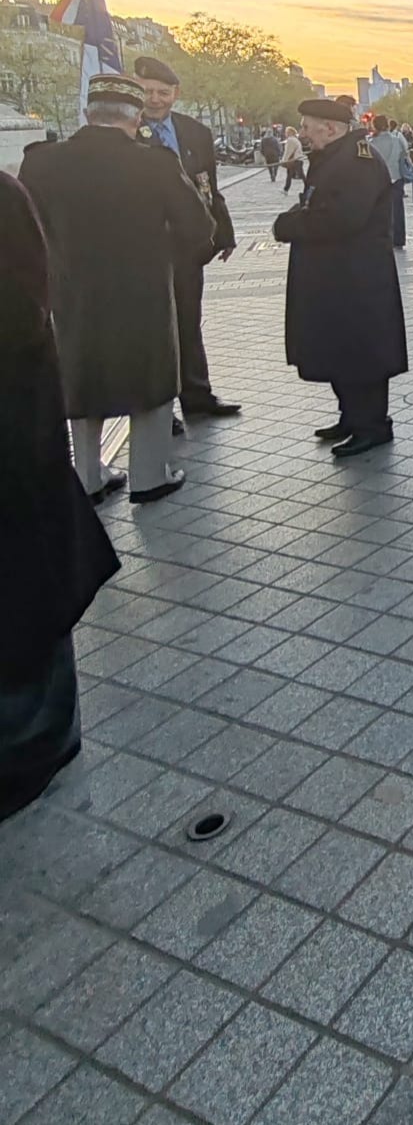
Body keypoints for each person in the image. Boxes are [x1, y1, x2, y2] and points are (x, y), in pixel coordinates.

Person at [20, 73, 215, 502]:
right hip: (142, 292)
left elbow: (23, 226)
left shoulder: (41, 161)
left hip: (71, 291)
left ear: (89, 113)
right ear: (136, 116)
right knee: (150, 374)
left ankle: (88, 476)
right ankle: (149, 475)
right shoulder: (155, 162)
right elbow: (199, 227)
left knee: (80, 373)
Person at [0, 170, 120, 820]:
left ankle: (41, 740)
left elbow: (20, 313)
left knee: (25, 596)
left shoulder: (3, 196)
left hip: (14, 443)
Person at [273, 98, 408, 456]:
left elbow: (342, 218)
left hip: (356, 277)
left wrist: (288, 225)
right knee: (340, 351)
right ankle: (351, 417)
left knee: (361, 354)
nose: (302, 134)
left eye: (307, 126)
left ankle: (372, 425)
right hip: (336, 275)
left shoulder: (356, 161)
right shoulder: (337, 157)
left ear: (331, 128)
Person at [133, 56, 240, 423]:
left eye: (163, 92)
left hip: (187, 244)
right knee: (149, 328)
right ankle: (160, 408)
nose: (156, 99)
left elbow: (208, 186)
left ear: (176, 94)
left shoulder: (195, 132)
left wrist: (223, 232)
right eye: (148, 91)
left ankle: (197, 396)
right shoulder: (125, 130)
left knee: (188, 321)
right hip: (141, 246)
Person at [368, 114, 411, 248]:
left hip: (377, 179)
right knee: (397, 209)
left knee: (379, 210)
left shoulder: (370, 143)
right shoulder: (396, 140)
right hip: (395, 176)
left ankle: (382, 237)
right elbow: (404, 155)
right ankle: (398, 238)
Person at [280, 124, 305, 194]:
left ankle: (286, 189)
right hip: (297, 160)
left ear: (290, 133)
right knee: (294, 175)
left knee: (299, 175)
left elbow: (288, 151)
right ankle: (286, 189)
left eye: (286, 132)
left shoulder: (290, 140)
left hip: (294, 160)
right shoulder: (296, 140)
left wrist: (283, 161)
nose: (285, 134)